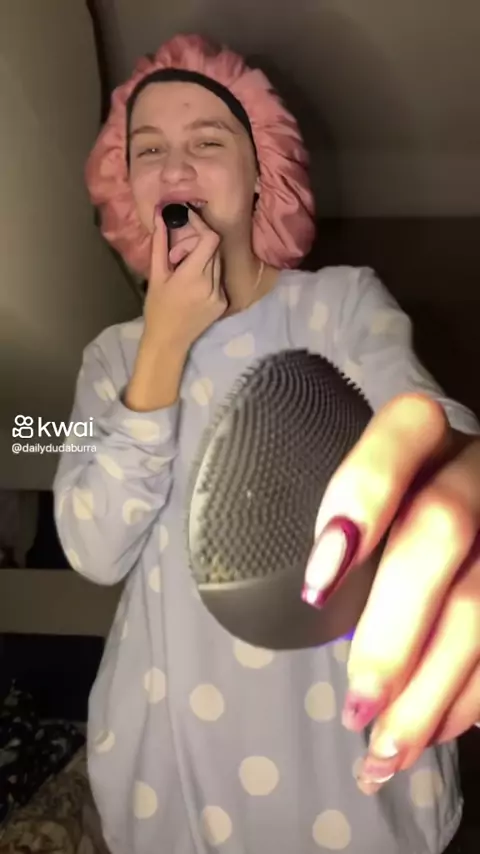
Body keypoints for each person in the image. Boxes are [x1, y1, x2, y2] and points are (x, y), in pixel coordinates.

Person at [53, 33, 480, 854]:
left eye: (208, 142)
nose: (175, 165)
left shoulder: (342, 304)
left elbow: (426, 420)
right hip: (165, 773)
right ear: (127, 186)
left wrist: (459, 474)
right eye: (149, 150)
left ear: (262, 176)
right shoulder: (107, 358)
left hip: (338, 762)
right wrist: (162, 346)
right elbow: (93, 547)